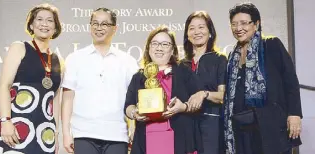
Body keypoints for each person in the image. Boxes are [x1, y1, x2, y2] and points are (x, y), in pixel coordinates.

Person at [224, 2, 302, 154]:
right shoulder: (232, 55)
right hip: (241, 127)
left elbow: (290, 81)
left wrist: (295, 114)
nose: (238, 28)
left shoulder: (271, 45)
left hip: (269, 124)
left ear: (256, 24)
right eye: (234, 24)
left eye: (244, 23)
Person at [61, 7, 139, 154]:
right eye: (95, 23)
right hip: (83, 133)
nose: (99, 28)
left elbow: (134, 99)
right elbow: (67, 99)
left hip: (117, 134)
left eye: (104, 24)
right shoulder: (75, 58)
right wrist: (66, 133)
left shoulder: (128, 61)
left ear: (114, 29)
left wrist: (134, 127)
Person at [0, 3, 63, 154]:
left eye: (50, 20)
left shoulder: (58, 60)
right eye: (39, 19)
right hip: (16, 126)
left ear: (55, 27)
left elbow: (54, 98)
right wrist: (5, 121)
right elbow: (4, 85)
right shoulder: (19, 47)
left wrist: (55, 134)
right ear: (31, 25)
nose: (44, 24)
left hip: (45, 133)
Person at [124, 26, 202, 154]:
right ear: (148, 48)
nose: (159, 48)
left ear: (172, 50)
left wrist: (183, 107)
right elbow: (128, 105)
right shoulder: (139, 76)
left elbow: (199, 101)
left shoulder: (184, 72)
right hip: (146, 140)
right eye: (155, 43)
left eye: (165, 44)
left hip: (180, 139)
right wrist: (134, 113)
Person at [180, 11, 227, 154]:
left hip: (211, 125)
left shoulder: (220, 59)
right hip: (185, 125)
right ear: (187, 34)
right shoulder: (181, 64)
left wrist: (204, 94)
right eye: (192, 28)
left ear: (210, 31)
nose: (196, 32)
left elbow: (223, 96)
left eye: (201, 27)